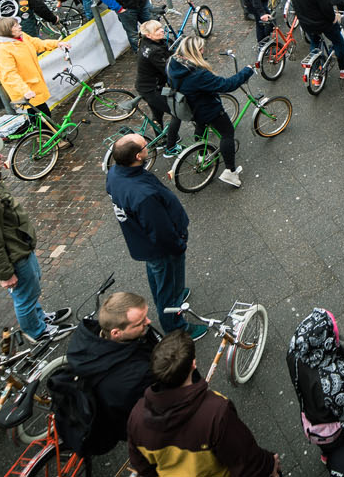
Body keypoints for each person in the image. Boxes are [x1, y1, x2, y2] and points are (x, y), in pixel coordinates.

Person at [0, 140, 72, 340]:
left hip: (20, 246)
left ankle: (39, 317)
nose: (1, 156)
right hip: (15, 256)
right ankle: (37, 331)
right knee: (24, 296)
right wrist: (6, 275)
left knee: (31, 288)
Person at [129, 328, 281, 477]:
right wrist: (269, 464)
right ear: (193, 364)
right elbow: (246, 462)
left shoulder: (136, 416)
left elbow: (142, 465)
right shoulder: (216, 412)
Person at [107, 134, 197, 336]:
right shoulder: (142, 195)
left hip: (143, 243)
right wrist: (179, 244)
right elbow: (161, 232)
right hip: (162, 248)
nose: (149, 145)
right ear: (138, 156)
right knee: (168, 285)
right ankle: (177, 327)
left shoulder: (114, 173)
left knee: (157, 274)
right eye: (145, 145)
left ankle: (169, 297)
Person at [68, 291, 159, 456]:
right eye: (140, 322)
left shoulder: (90, 338)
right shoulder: (133, 377)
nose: (148, 322)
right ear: (116, 333)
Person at [288, 308, 344, 477]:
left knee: (326, 446)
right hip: (334, 429)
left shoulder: (294, 353)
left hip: (311, 418)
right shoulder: (333, 381)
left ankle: (326, 455)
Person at [166, 35, 254, 188]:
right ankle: (230, 171)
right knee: (227, 133)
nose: (203, 51)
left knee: (201, 126)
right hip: (207, 109)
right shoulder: (198, 74)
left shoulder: (173, 63)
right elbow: (227, 85)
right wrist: (247, 71)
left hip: (191, 107)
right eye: (200, 49)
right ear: (194, 51)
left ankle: (201, 154)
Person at [0, 16, 62, 115]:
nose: (20, 26)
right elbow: (9, 75)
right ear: (7, 31)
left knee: (40, 116)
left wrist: (57, 44)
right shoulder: (2, 52)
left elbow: (37, 44)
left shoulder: (21, 37)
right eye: (15, 26)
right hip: (27, 91)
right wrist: (25, 91)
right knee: (42, 116)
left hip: (33, 87)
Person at [135, 19, 182, 156]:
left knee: (157, 113)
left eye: (161, 27)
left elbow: (166, 57)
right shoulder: (154, 51)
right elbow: (168, 69)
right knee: (177, 112)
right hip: (152, 89)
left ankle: (161, 140)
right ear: (148, 35)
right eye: (157, 30)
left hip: (146, 86)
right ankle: (170, 147)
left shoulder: (146, 43)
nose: (162, 30)